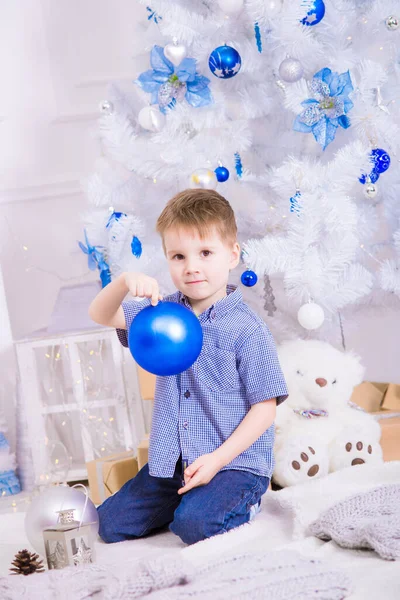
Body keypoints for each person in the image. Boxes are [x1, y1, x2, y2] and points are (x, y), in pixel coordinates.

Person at [89, 188, 288, 545]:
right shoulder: (160, 313)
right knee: (107, 524)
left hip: (231, 464)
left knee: (194, 527)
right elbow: (100, 315)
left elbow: (265, 409)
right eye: (178, 256)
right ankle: (178, 503)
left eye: (205, 253)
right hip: (173, 465)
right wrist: (121, 283)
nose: (191, 266)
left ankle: (245, 501)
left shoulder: (247, 329)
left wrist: (216, 460)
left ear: (232, 254)